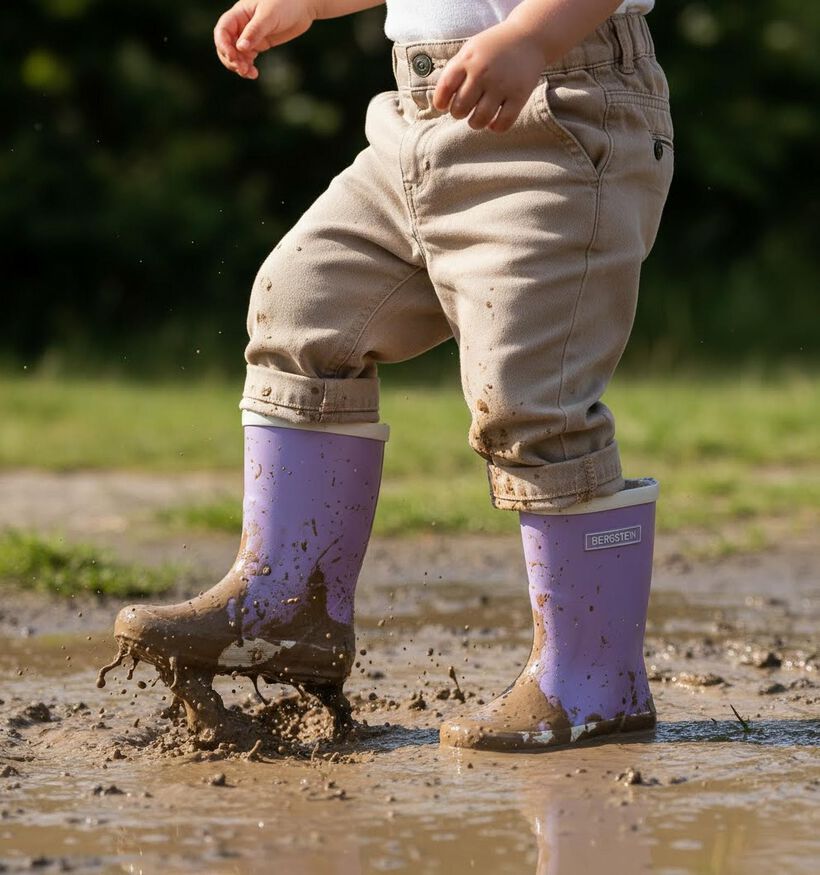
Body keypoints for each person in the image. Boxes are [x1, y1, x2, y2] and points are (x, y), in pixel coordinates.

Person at [102, 0, 673, 751]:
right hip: (413, 127)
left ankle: (594, 676)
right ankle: (287, 603)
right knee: (304, 304)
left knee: (529, 394)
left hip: (559, 120)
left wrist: (532, 35)